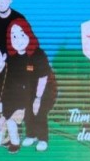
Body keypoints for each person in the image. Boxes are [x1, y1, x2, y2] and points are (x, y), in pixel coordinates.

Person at [6, 18, 57, 151]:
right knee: (28, 112)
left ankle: (43, 138)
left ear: (28, 34)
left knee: (38, 111)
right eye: (14, 36)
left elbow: (43, 77)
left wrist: (38, 98)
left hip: (44, 90)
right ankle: (31, 135)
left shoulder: (38, 54)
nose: (18, 39)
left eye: (21, 34)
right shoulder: (14, 58)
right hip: (26, 92)